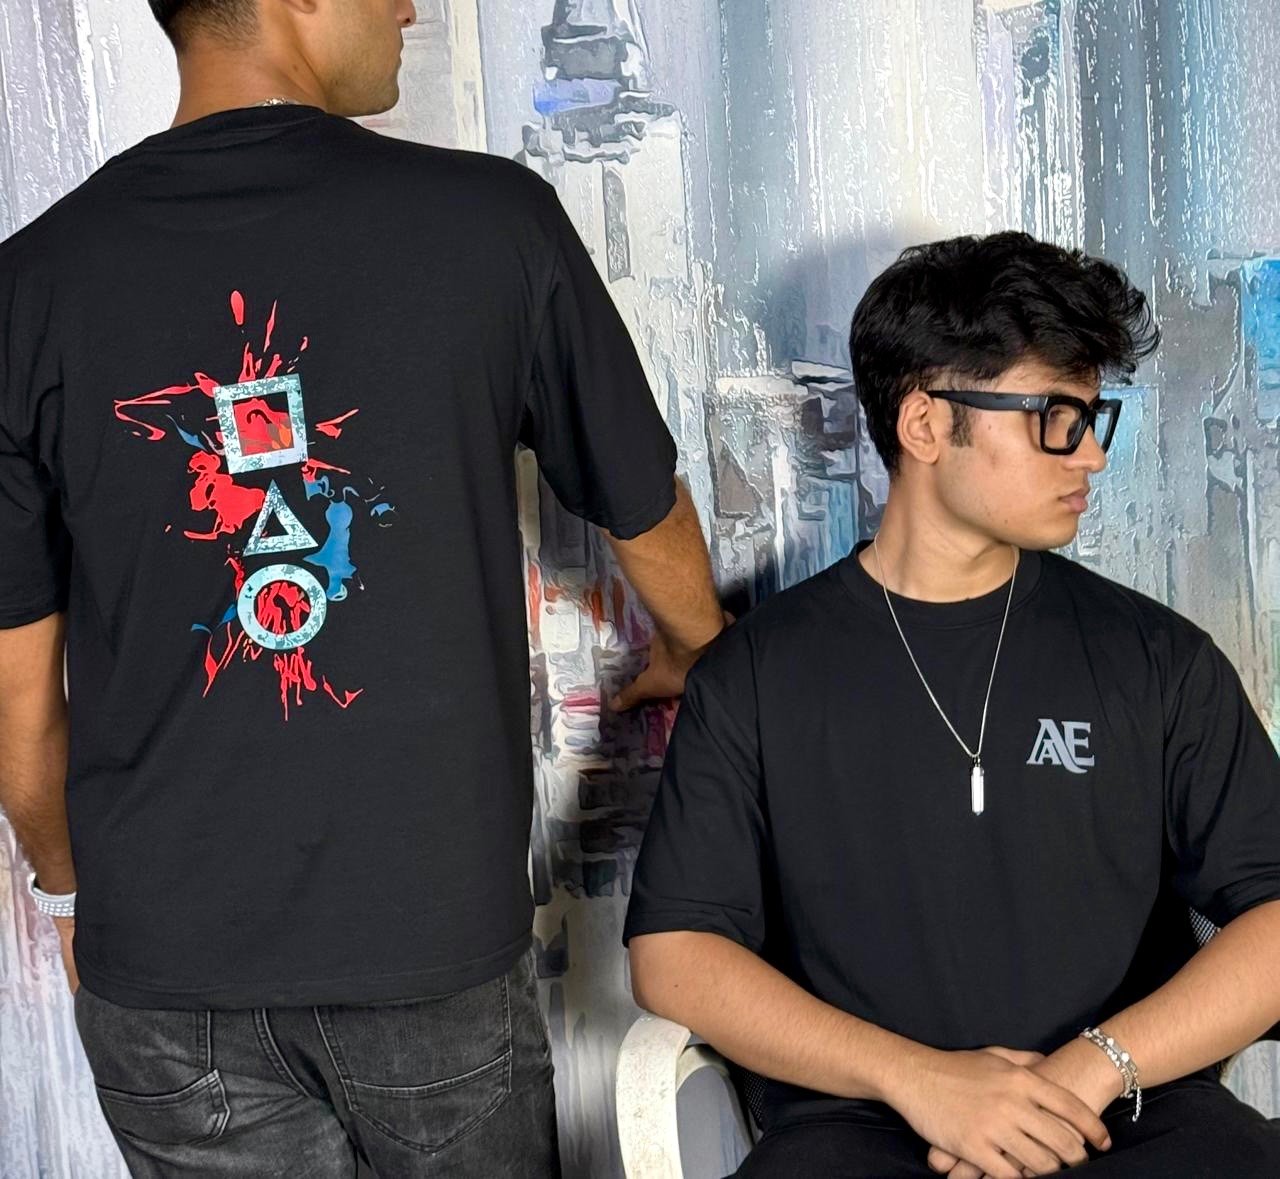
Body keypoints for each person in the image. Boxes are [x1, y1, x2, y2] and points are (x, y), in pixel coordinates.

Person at [0, 1, 725, 1175]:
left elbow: (18, 694)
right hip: (422, 949)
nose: (407, 7)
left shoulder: (29, 285)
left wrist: (73, 897)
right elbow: (640, 504)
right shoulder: (491, 222)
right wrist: (694, 643)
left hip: (166, 974)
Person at [624, 231, 1280, 1178]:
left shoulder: (1158, 659)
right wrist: (919, 1079)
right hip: (862, 1130)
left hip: (1131, 1116)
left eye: (1095, 417)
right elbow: (675, 952)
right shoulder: (757, 675)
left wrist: (1094, 1067)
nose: (1092, 456)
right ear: (926, 425)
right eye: (1056, 417)